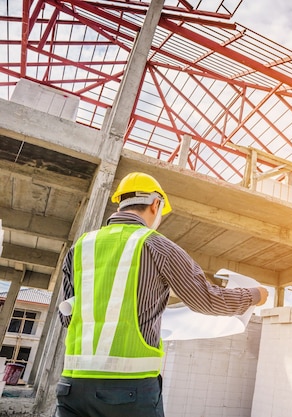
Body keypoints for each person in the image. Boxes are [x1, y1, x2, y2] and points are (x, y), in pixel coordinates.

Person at [55, 172, 268, 417]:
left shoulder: (80, 247)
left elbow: (67, 319)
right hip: (130, 390)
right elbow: (208, 300)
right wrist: (254, 294)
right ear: (156, 204)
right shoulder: (157, 246)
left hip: (72, 387)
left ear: (121, 202)